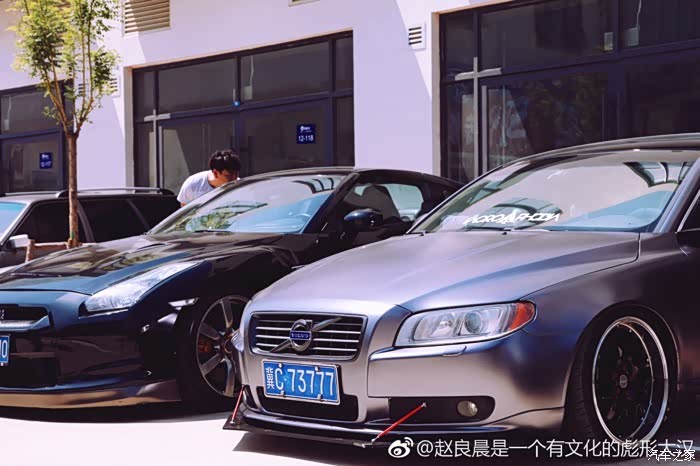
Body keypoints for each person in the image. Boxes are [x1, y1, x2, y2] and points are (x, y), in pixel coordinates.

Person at [177, 149, 242, 206]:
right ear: (215, 173)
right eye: (229, 175)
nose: (234, 179)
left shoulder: (239, 187)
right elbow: (184, 210)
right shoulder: (192, 185)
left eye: (236, 174)